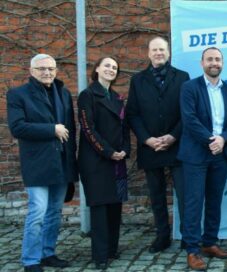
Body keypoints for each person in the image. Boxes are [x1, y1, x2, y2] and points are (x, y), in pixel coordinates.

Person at [7, 54, 77, 272]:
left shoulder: (63, 93)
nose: (47, 72)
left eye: (51, 68)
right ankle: (30, 260)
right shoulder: (18, 95)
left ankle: (48, 253)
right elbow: (17, 127)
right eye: (41, 69)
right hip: (37, 163)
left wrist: (71, 159)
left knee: (54, 212)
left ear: (56, 70)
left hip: (61, 162)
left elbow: (70, 130)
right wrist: (51, 129)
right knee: (37, 212)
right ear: (31, 71)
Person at [126, 36, 191, 253]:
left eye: (162, 49)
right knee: (156, 195)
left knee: (184, 194)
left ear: (169, 52)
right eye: (154, 50)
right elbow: (133, 114)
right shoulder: (138, 80)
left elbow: (187, 113)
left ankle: (187, 236)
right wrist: (147, 139)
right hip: (150, 146)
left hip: (177, 144)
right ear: (148, 53)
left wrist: (173, 136)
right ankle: (162, 236)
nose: (158, 53)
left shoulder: (182, 77)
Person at [178, 47, 227, 270]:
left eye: (218, 59)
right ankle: (192, 250)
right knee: (194, 202)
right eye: (210, 59)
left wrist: (223, 140)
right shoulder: (189, 87)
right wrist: (211, 140)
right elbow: (189, 119)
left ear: (222, 62)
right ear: (202, 62)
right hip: (196, 154)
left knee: (214, 201)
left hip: (220, 154)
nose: (214, 62)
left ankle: (210, 242)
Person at [78, 56, 130, 269]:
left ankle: (111, 249)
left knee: (115, 207)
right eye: (107, 65)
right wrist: (109, 152)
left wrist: (125, 149)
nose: (111, 69)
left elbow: (124, 127)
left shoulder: (117, 97)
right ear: (97, 69)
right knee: (99, 209)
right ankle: (100, 256)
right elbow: (88, 129)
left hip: (118, 160)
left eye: (115, 67)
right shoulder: (87, 95)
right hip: (96, 161)